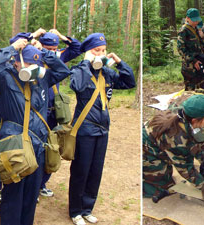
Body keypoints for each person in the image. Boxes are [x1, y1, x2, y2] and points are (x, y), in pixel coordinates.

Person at [0, 32, 71, 225]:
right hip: (15, 147)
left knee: (31, 197)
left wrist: (44, 53)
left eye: (36, 65)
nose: (33, 69)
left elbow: (63, 71)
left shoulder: (43, 79)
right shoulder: (5, 80)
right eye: (29, 64)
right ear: (16, 62)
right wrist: (14, 48)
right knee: (13, 197)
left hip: (38, 145)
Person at [68, 33, 135, 225]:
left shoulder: (107, 73)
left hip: (103, 130)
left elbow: (129, 82)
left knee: (95, 172)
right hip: (85, 130)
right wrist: (86, 63)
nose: (101, 53)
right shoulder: (79, 71)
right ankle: (75, 211)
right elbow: (78, 86)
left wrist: (119, 62)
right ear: (88, 52)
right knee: (81, 171)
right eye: (97, 50)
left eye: (104, 50)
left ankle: (87, 208)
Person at [143, 95, 204, 199]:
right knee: (161, 187)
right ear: (194, 121)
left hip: (160, 142)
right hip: (147, 150)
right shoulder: (176, 138)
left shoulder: (186, 113)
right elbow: (185, 169)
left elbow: (198, 147)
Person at [36, 29, 82, 198]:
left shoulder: (59, 57)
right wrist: (34, 35)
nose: (51, 51)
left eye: (54, 48)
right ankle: (33, 184)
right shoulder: (34, 57)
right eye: (47, 48)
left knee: (52, 147)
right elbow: (15, 45)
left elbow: (77, 48)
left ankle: (42, 184)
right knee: (36, 149)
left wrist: (62, 36)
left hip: (54, 112)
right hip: (38, 112)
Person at [178, 8, 204, 91]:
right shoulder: (184, 30)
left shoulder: (196, 29)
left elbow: (199, 45)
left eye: (197, 20)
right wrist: (193, 60)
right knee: (190, 90)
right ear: (187, 18)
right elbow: (181, 49)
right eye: (194, 20)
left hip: (199, 62)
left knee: (200, 88)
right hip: (189, 65)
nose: (196, 22)